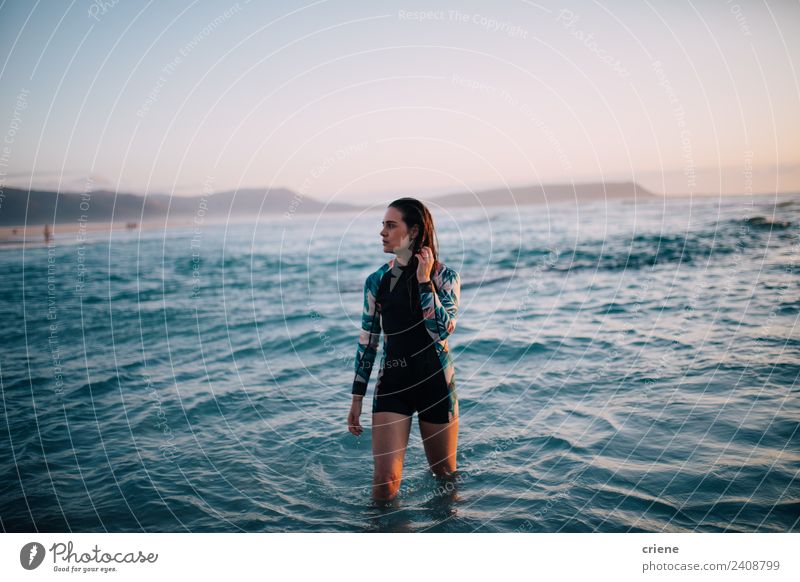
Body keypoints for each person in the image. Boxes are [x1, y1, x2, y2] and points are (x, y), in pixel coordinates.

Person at [347, 197, 461, 501]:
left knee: (445, 478)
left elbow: (442, 331)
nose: (382, 232)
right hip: (393, 385)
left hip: (436, 383)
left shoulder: (444, 277)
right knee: (385, 482)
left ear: (412, 231)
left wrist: (424, 283)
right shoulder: (377, 281)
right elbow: (368, 342)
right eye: (382, 225)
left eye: (390, 225)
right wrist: (357, 397)